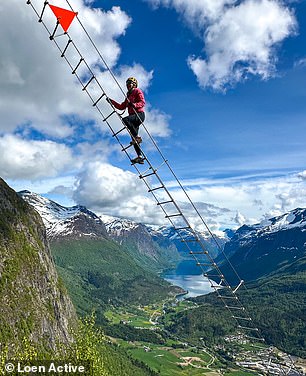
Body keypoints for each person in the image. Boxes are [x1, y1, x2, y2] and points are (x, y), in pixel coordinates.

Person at [107, 77, 145, 164]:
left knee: (125, 120)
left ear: (134, 84)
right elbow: (122, 107)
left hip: (139, 115)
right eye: (127, 83)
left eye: (130, 83)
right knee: (133, 137)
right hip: (133, 116)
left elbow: (142, 102)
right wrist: (111, 102)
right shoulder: (128, 96)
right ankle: (140, 156)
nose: (128, 85)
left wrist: (134, 105)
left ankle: (137, 138)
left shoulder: (137, 91)